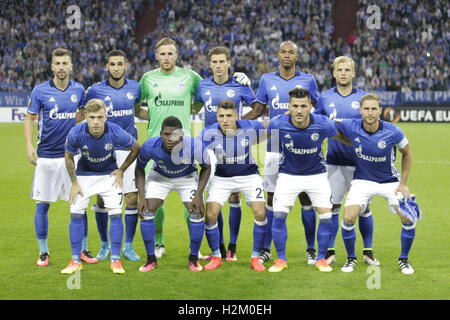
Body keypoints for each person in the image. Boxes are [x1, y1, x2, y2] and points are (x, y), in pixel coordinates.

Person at [139, 37, 251, 259]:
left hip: (186, 145)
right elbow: (137, 106)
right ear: (156, 55)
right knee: (155, 197)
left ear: (177, 55)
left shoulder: (191, 78)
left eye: (170, 53)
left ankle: (195, 248)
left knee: (192, 199)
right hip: (154, 143)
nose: (167, 58)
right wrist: (153, 118)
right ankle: (159, 242)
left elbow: (206, 96)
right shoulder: (146, 79)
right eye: (162, 54)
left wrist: (241, 79)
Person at [266, 88, 350, 273]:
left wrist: (362, 146)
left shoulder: (324, 124)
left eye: (303, 106)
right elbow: (272, 151)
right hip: (288, 176)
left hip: (317, 176)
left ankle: (321, 259)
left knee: (326, 217)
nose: (298, 110)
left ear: (311, 107)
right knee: (279, 216)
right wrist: (272, 178)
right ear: (288, 106)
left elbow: (340, 137)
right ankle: (281, 259)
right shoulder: (276, 124)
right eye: (294, 106)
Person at [254, 41, 320, 265]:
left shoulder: (308, 80)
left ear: (297, 56)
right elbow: (258, 109)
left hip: (302, 146)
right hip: (274, 146)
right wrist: (239, 124)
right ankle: (266, 249)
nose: (287, 55)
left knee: (305, 197)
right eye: (283, 52)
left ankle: (311, 249)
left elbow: (317, 110)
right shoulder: (266, 80)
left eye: (291, 52)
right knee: (271, 199)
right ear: (278, 55)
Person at [335, 94, 417, 274]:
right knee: (348, 218)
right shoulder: (351, 125)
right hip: (362, 181)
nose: (370, 113)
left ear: (380, 110)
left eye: (374, 109)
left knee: (408, 218)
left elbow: (407, 153)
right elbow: (328, 125)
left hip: (390, 182)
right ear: (360, 110)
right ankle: (351, 259)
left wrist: (403, 183)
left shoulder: (393, 131)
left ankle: (404, 259)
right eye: (366, 109)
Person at [62, 99, 140, 275]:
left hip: (108, 176)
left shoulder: (115, 131)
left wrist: (121, 170)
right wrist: (74, 182)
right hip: (84, 176)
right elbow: (68, 156)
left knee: (116, 215)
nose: (96, 122)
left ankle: (116, 260)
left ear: (106, 116)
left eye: (99, 117)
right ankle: (75, 260)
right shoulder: (76, 132)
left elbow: (136, 148)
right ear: (86, 117)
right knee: (75, 214)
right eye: (91, 117)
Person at [195, 46, 258, 261]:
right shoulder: (202, 85)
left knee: (234, 195)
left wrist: (242, 126)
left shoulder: (239, 84)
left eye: (222, 61)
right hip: (211, 147)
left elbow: (258, 107)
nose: (219, 66)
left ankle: (232, 246)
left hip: (235, 145)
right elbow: (193, 107)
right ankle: (220, 247)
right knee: (215, 197)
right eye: (214, 62)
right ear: (210, 64)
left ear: (228, 63)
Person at [24, 48, 86, 267]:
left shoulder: (79, 89)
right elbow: (30, 118)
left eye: (65, 63)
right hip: (47, 157)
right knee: (43, 205)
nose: (61, 67)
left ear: (70, 66)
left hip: (71, 156)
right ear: (52, 66)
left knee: (79, 203)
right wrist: (29, 145)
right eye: (57, 63)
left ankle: (83, 250)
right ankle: (43, 251)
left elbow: (83, 113)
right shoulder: (40, 91)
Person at [314, 56, 378, 266]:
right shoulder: (324, 98)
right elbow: (317, 125)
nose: (343, 73)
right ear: (333, 73)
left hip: (360, 163)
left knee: (364, 209)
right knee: (333, 207)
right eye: (339, 69)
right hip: (333, 162)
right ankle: (330, 251)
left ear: (353, 73)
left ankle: (367, 251)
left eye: (347, 70)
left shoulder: (363, 99)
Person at [86, 49, 145, 261]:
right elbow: (84, 116)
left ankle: (128, 246)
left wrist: (161, 111)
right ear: (107, 66)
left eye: (120, 64)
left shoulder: (135, 87)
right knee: (102, 200)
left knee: (131, 198)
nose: (116, 68)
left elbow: (138, 111)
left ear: (125, 65)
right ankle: (104, 245)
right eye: (112, 64)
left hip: (129, 151)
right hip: (103, 151)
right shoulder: (95, 91)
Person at [135, 116, 211, 272]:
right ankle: (151, 259)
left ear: (182, 134)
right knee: (147, 211)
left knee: (196, 213)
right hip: (160, 177)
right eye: (166, 135)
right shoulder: (150, 146)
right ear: (161, 134)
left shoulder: (194, 146)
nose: (170, 139)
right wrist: (141, 197)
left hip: (187, 178)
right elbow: (139, 169)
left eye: (174, 135)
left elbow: (206, 167)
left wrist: (198, 195)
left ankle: (193, 258)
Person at [199, 100, 267, 272]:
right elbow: (193, 148)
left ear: (236, 116)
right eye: (221, 116)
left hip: (249, 175)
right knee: (210, 215)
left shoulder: (250, 126)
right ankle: (216, 255)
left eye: (229, 116)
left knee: (260, 212)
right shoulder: (208, 132)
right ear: (216, 117)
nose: (225, 120)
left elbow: (270, 126)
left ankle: (255, 257)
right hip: (222, 177)